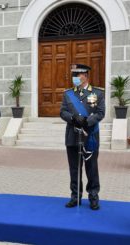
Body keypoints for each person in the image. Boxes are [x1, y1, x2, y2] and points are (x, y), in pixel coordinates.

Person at [60, 64, 105, 210]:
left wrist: (87, 121)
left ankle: (93, 197)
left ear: (86, 76)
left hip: (90, 135)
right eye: (73, 75)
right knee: (74, 168)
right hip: (73, 135)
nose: (74, 78)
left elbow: (100, 112)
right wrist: (73, 118)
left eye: (77, 75)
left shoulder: (97, 93)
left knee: (91, 168)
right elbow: (63, 112)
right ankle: (75, 196)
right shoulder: (68, 94)